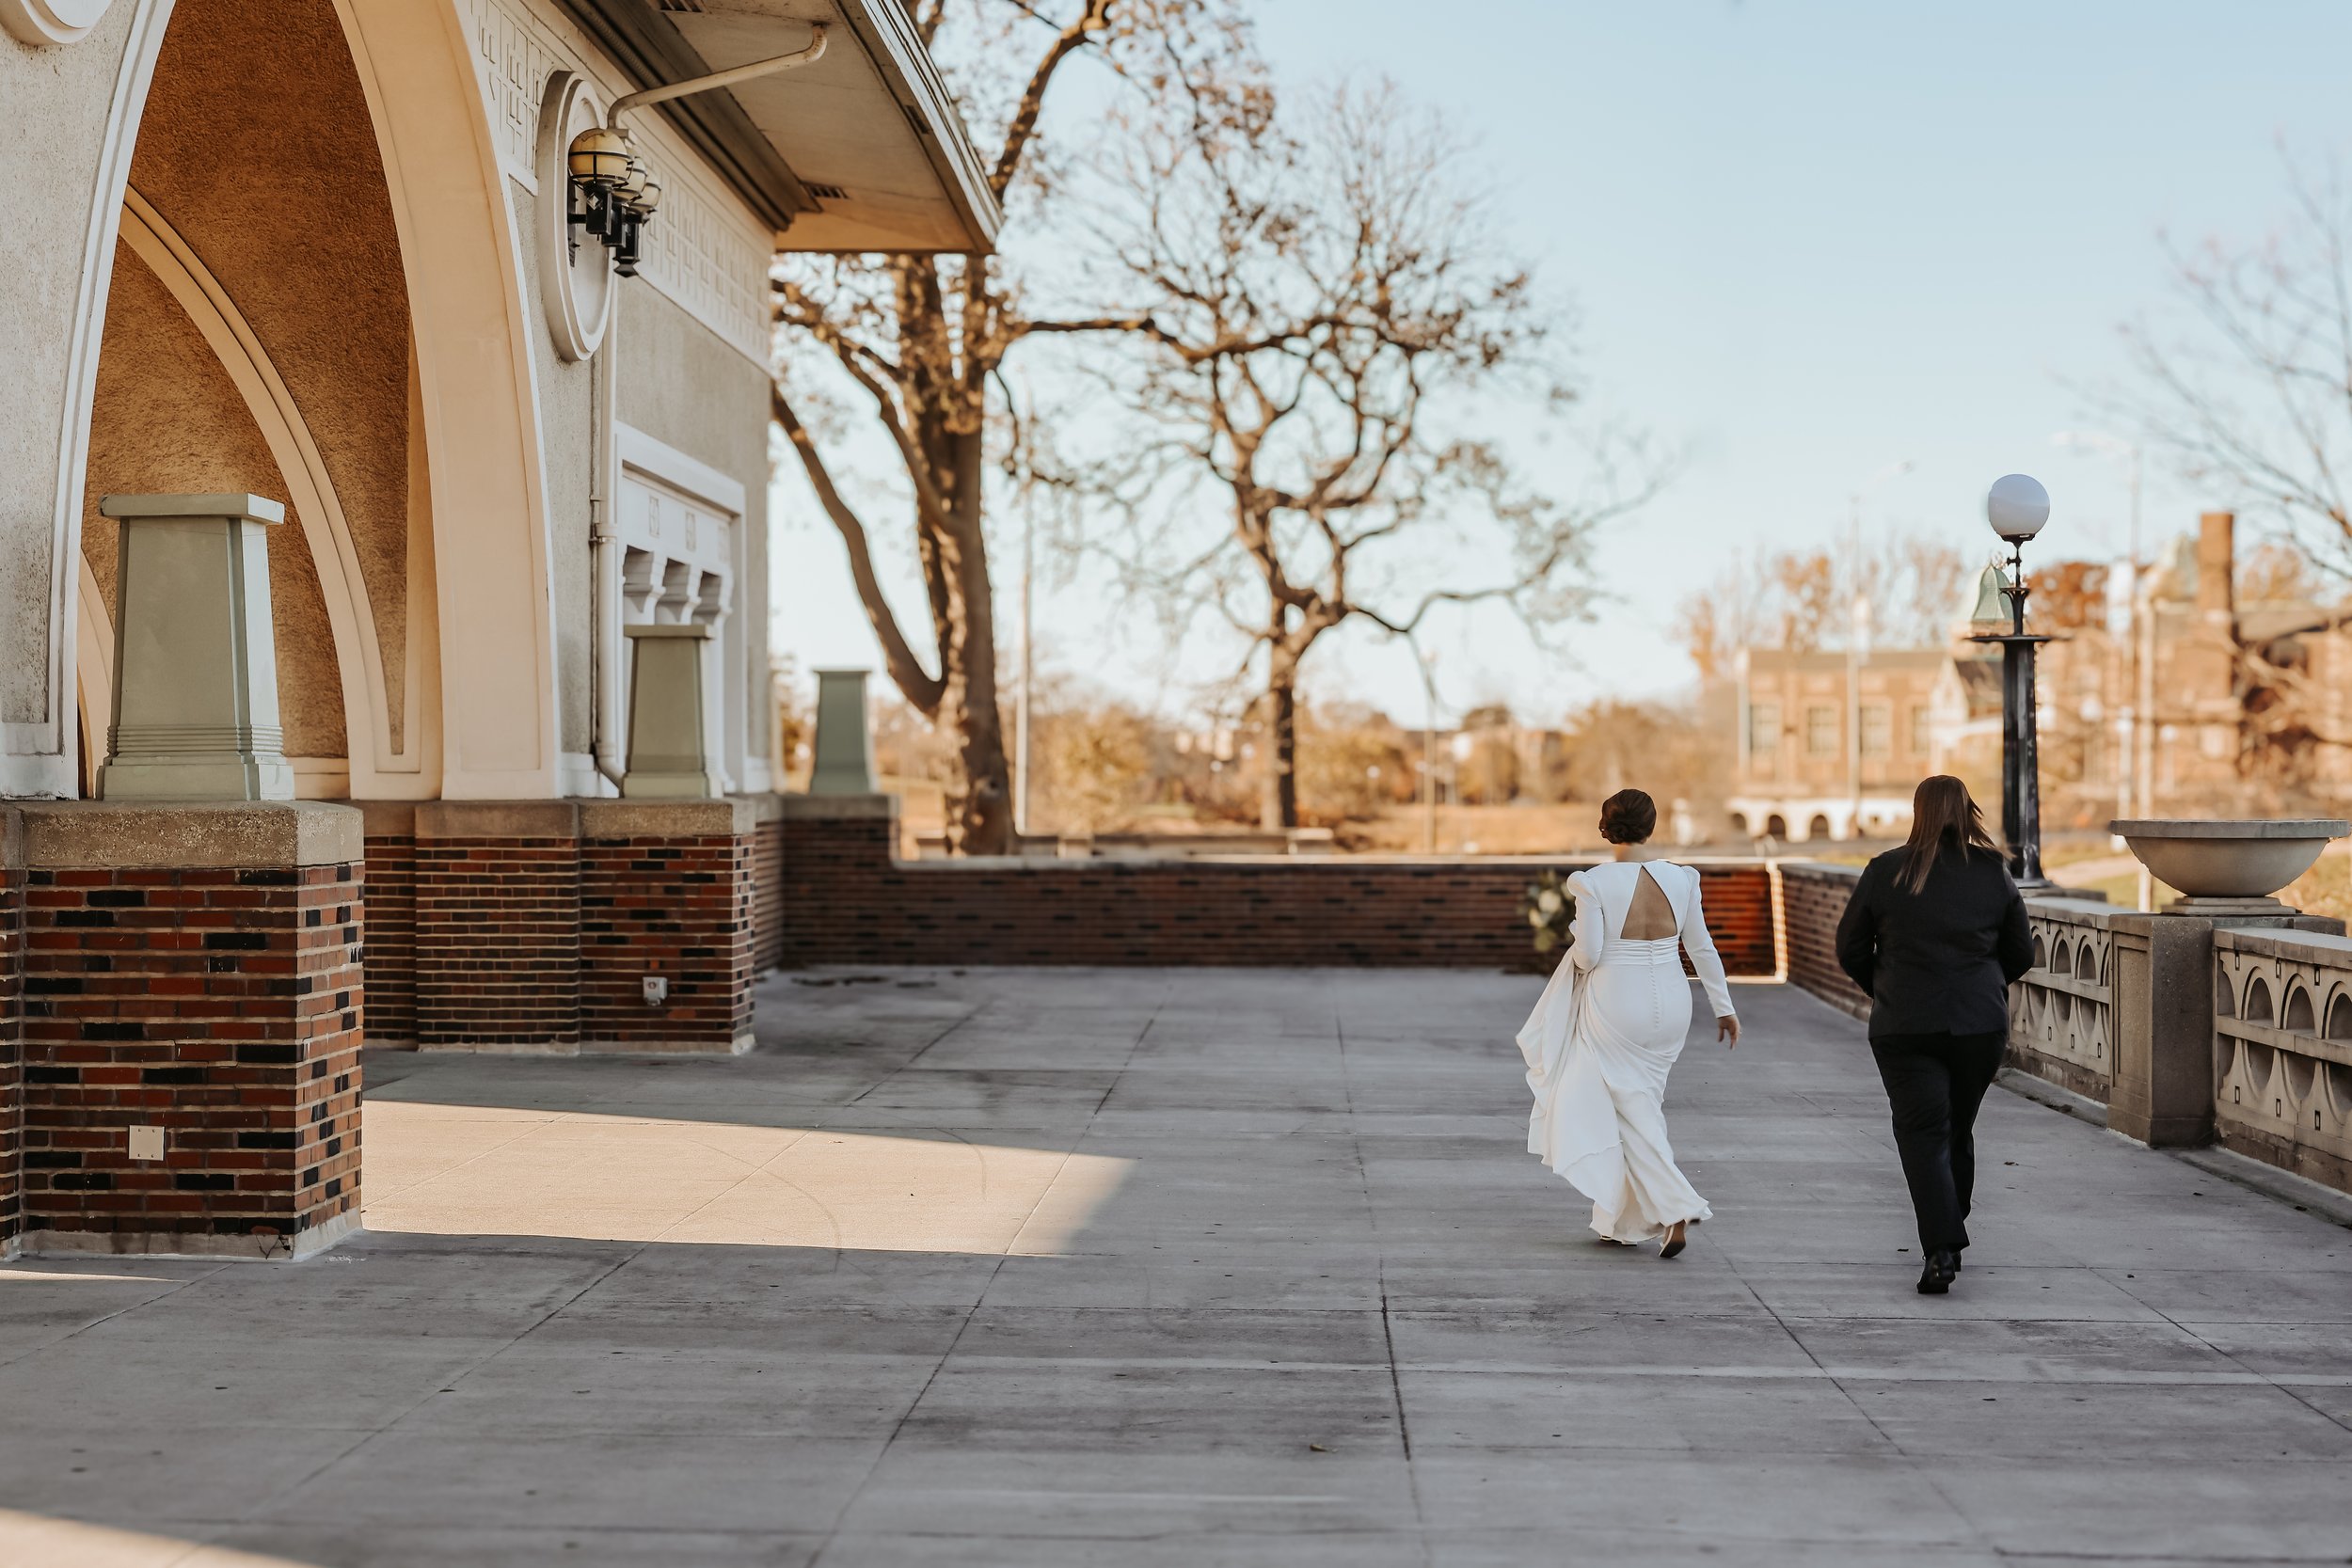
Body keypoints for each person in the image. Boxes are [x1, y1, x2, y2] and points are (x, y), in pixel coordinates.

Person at [1516, 788, 1740, 1258]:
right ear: (1651, 826)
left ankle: (1676, 1205)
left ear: (1605, 826)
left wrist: (1576, 941)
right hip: (1673, 1000)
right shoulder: (1683, 879)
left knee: (1627, 1108)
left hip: (1617, 1000)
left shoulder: (1592, 882)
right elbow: (1701, 947)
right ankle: (1621, 1220)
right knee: (1638, 1106)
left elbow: (1591, 954)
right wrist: (1724, 1005)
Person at [1835, 775, 2033, 1295]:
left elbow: (1850, 948)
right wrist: (1984, 986)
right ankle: (1949, 1225)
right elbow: (2022, 955)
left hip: (1905, 1024)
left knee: (1924, 1134)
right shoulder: (1994, 871)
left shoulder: (1885, 870)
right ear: (1969, 812)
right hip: (1978, 1024)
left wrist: (1887, 990)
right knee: (1955, 1128)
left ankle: (1942, 1246)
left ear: (1918, 811)